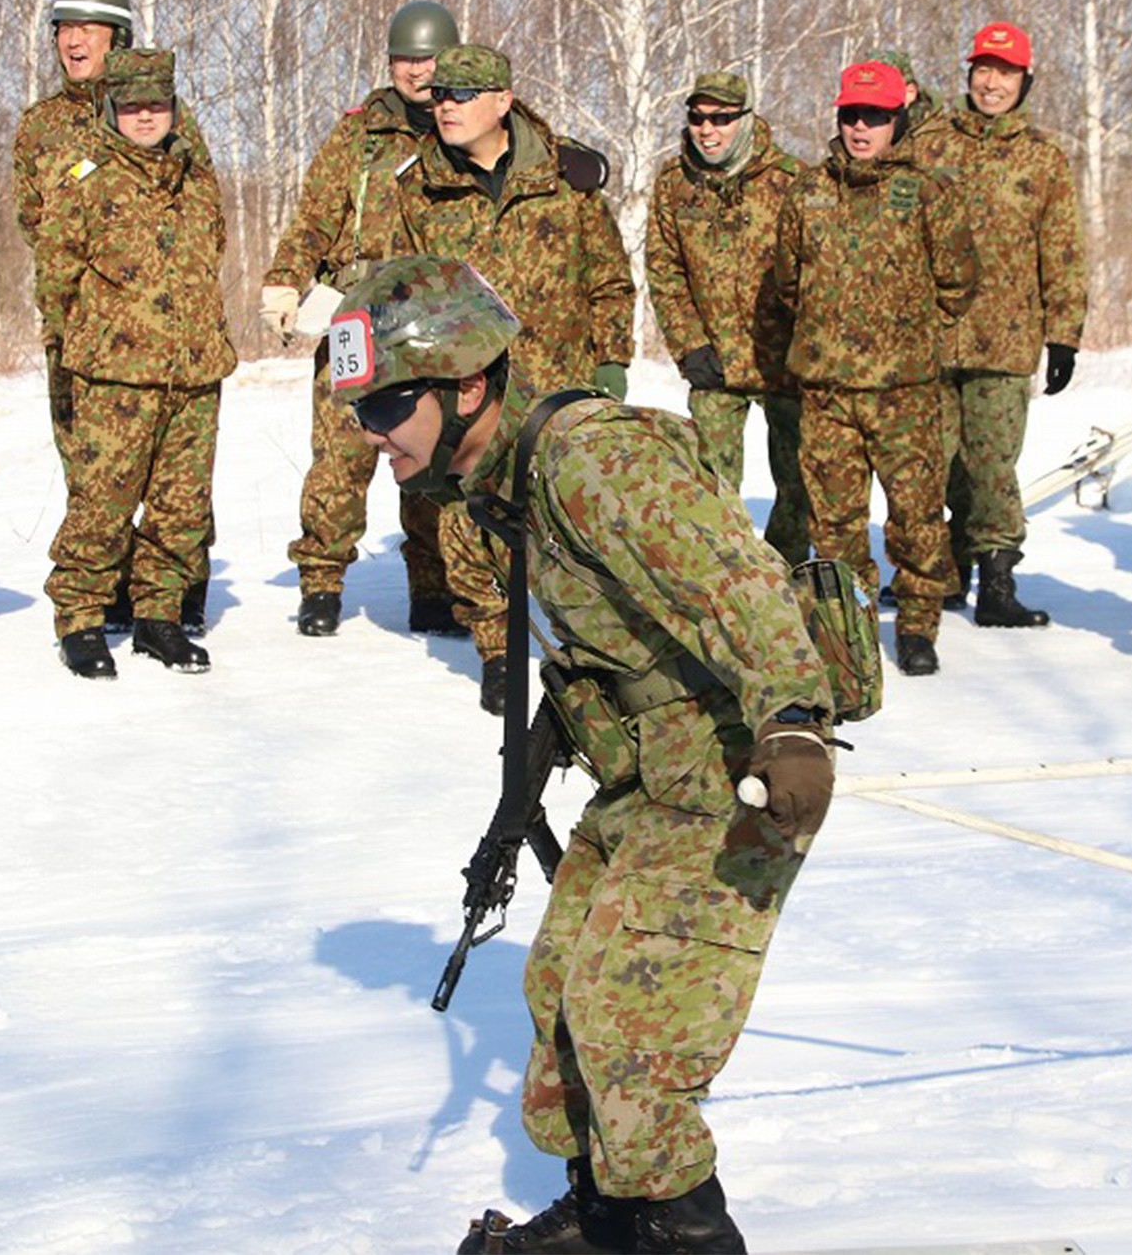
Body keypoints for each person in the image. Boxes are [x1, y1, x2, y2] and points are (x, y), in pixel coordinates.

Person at [328, 254, 835, 1253]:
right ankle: (607, 1222)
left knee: (630, 1031)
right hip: (644, 769)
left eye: (385, 407)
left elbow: (737, 582)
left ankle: (687, 1234)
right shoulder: (492, 483)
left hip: (730, 769)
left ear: (466, 386)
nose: (372, 435)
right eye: (359, 413)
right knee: (559, 985)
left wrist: (792, 723)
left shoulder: (592, 459)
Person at [391, 43, 635, 712]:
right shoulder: (419, 189)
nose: (446, 107)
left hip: (558, 379)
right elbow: (406, 289)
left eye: (462, 95)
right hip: (469, 389)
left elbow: (609, 279)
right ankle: (499, 652)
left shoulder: (564, 179)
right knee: (467, 520)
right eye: (440, 95)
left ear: (502, 102)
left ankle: (593, 647)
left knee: (574, 520)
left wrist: (611, 361)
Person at [13, 0, 220, 636]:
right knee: (97, 470)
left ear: (119, 37)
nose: (72, 41)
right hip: (85, 328)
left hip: (167, 330)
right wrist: (85, 307)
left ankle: (175, 589)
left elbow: (202, 216)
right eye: (63, 29)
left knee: (176, 471)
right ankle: (104, 591)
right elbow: (35, 223)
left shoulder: (169, 116)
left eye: (87, 29)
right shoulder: (42, 127)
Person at [261, 0, 461, 637]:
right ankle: (321, 582)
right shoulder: (360, 133)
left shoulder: (465, 124)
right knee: (341, 454)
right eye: (404, 60)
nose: (415, 72)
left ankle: (434, 587)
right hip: (359, 316)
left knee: (432, 454)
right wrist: (286, 279)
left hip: (434, 319)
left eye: (427, 60)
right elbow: (315, 217)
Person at [775, 60, 976, 676]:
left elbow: (958, 282)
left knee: (916, 516)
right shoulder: (807, 193)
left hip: (903, 392)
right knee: (835, 524)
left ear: (898, 120)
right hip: (828, 391)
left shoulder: (929, 192)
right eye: (852, 115)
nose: (861, 128)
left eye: (876, 117)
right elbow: (788, 282)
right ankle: (851, 632)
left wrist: (905, 336)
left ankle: (917, 623)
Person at [915, 21, 1088, 627]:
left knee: (991, 468)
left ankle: (996, 583)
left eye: (1006, 73)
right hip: (932, 338)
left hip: (1006, 340)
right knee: (931, 464)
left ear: (1025, 82)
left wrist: (1064, 334)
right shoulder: (929, 145)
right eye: (984, 70)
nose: (992, 84)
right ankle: (938, 574)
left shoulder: (1043, 158)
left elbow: (1062, 250)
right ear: (969, 74)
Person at [642, 69, 810, 564]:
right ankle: (726, 575)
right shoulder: (675, 185)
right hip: (714, 363)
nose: (707, 130)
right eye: (698, 118)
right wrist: (689, 345)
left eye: (721, 119)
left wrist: (808, 346)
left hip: (784, 363)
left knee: (800, 479)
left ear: (746, 119)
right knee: (710, 484)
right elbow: (665, 269)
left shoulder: (792, 180)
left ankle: (786, 570)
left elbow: (817, 271)